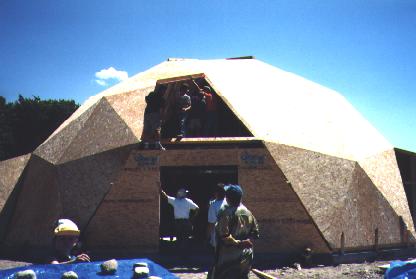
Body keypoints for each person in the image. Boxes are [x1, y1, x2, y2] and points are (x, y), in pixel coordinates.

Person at [210, 185, 259, 279]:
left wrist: (238, 243)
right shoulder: (248, 212)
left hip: (229, 257)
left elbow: (224, 236)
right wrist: (247, 241)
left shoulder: (226, 213)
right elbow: (255, 232)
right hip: (246, 255)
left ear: (227, 198)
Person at [207, 183, 226, 248]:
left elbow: (211, 223)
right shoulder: (232, 204)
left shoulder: (213, 205)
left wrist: (208, 236)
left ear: (216, 193)